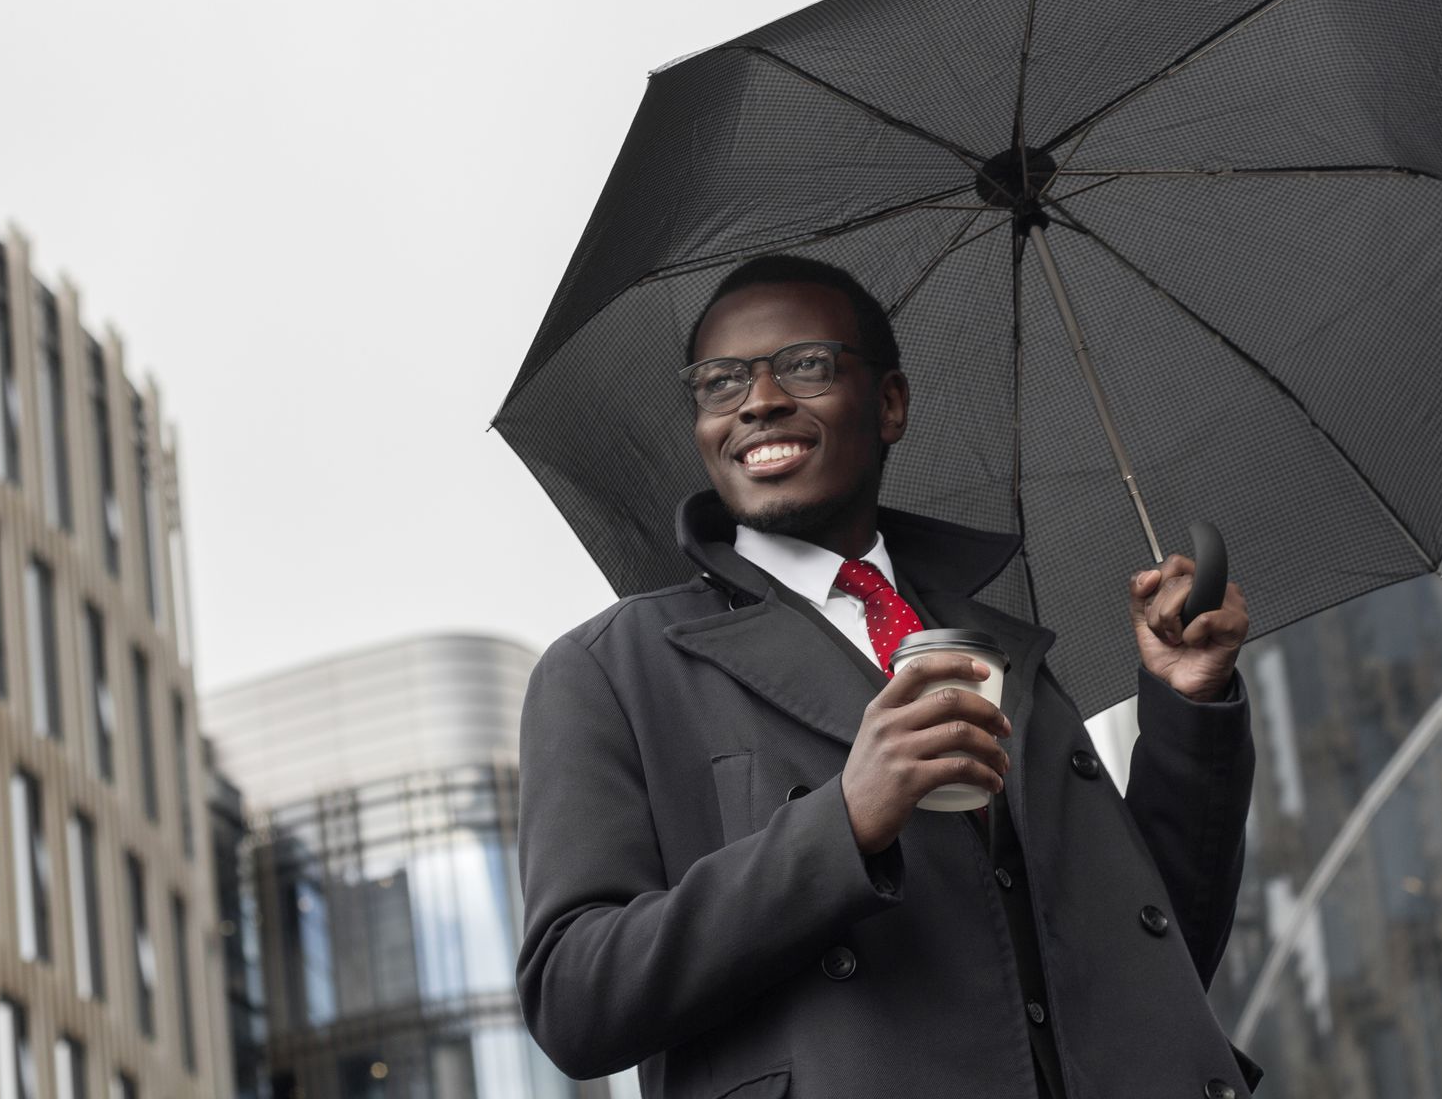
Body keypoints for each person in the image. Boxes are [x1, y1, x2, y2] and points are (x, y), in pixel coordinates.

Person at [516, 256, 1262, 1098]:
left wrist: (1188, 702)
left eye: (807, 365)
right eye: (720, 382)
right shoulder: (611, 670)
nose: (757, 401)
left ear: (892, 404)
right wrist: (842, 824)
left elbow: (1155, 963)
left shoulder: (1002, 648)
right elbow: (574, 999)